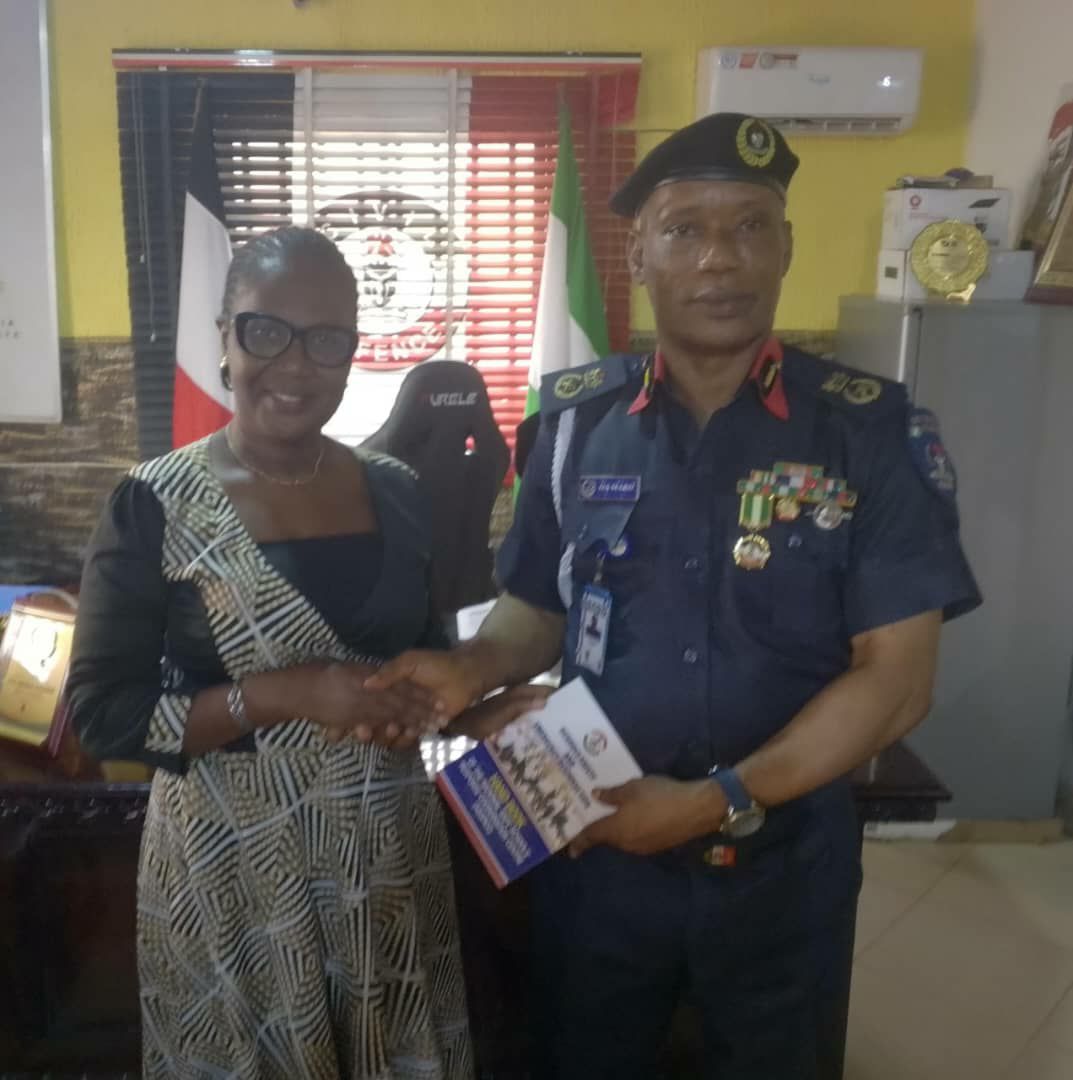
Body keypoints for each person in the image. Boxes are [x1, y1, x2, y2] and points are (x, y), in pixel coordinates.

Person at [367, 113, 982, 1079]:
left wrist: (710, 802)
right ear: (638, 255)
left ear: (785, 248)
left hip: (784, 865)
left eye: (749, 226)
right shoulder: (574, 426)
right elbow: (538, 609)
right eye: (684, 229)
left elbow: (896, 681)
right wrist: (469, 668)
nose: (718, 257)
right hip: (595, 848)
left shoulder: (867, 434)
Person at [67, 226, 489, 1079]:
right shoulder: (154, 503)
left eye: (327, 339)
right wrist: (282, 695)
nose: (295, 364)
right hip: (232, 874)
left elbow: (422, 665)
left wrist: (483, 708)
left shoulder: (400, 491)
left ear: (352, 353)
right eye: (266, 331)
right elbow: (104, 716)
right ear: (225, 337)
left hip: (384, 863)